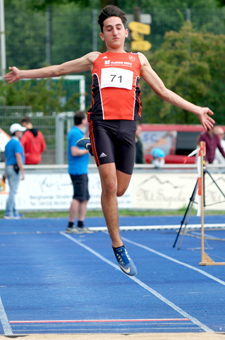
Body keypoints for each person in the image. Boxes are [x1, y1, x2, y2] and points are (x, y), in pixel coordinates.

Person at [4, 5, 215, 276]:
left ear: (125, 32)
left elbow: (163, 91)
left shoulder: (139, 60)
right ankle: (118, 246)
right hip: (101, 124)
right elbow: (58, 69)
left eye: (118, 27)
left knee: (120, 190)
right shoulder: (96, 58)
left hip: (127, 129)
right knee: (109, 184)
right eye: (108, 28)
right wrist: (23, 74)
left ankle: (92, 147)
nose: (114, 32)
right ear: (102, 35)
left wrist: (196, 109)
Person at [65, 110, 93, 234]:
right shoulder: (75, 133)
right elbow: (74, 151)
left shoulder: (78, 132)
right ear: (82, 120)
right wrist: (89, 149)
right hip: (77, 170)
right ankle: (71, 225)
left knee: (84, 197)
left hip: (81, 169)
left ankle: (80, 224)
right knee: (78, 197)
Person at [3, 123, 25, 219]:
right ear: (16, 132)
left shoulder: (8, 143)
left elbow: (6, 159)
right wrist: (22, 171)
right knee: (13, 191)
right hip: (14, 168)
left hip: (8, 168)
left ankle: (14, 211)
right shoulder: (16, 143)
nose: (21, 133)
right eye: (20, 131)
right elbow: (18, 157)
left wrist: (4, 172)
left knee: (12, 190)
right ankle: (8, 212)